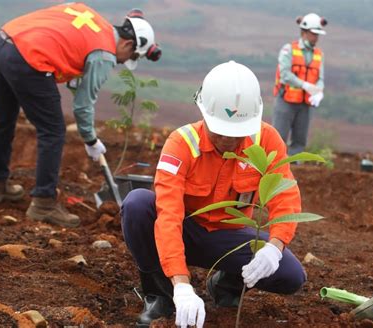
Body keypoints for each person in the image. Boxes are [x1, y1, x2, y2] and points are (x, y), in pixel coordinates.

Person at [121, 61, 306, 327]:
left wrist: (274, 247)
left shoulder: (266, 140)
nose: (228, 140)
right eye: (220, 131)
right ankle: (159, 296)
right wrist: (181, 285)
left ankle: (225, 285)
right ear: (204, 113)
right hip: (186, 231)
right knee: (138, 204)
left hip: (229, 237)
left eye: (236, 133)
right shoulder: (181, 143)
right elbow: (169, 214)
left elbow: (285, 197)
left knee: (290, 276)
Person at [0, 3, 161, 227]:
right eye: (127, 57)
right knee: (52, 130)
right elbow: (83, 104)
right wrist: (90, 139)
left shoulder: (92, 19)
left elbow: (66, 51)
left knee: (2, 120)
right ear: (128, 43)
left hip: (1, 44)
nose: (120, 62)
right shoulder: (104, 53)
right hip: (29, 58)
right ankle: (44, 203)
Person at [272, 13, 327, 156]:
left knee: (300, 139)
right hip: (286, 100)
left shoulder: (319, 54)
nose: (316, 37)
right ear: (304, 32)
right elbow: (284, 75)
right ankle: (275, 165)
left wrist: (319, 91)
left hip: (305, 104)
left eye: (318, 34)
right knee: (278, 136)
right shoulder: (289, 49)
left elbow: (320, 78)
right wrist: (305, 85)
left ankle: (296, 166)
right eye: (314, 34)